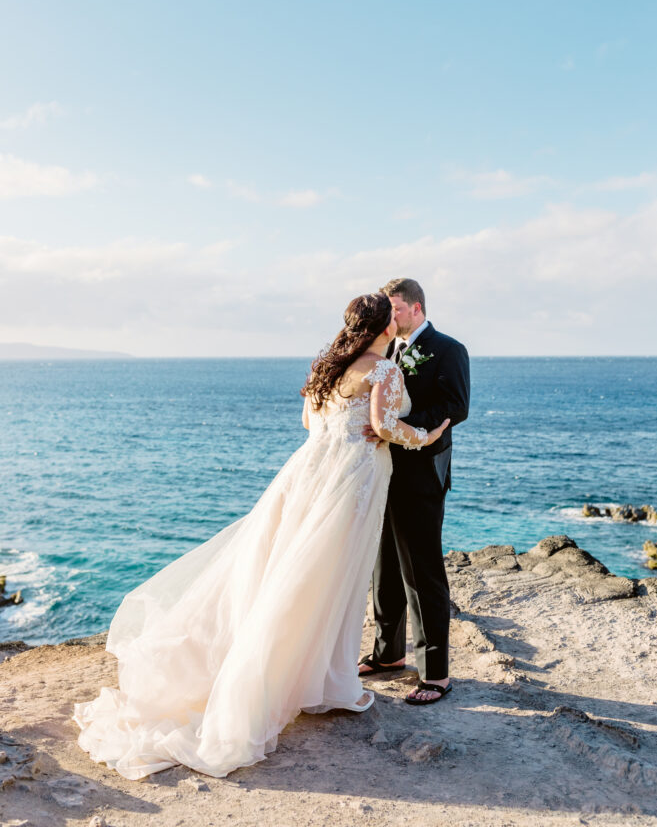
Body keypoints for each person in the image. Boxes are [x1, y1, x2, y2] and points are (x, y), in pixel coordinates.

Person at [73, 292, 449, 781]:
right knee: (332, 577)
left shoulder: (329, 366)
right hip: (353, 478)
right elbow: (382, 425)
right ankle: (310, 683)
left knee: (295, 571)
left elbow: (309, 422)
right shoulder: (383, 370)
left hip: (311, 471)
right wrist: (429, 434)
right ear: (382, 326)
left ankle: (316, 677)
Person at [358, 278, 470, 705]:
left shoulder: (448, 349)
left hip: (422, 472)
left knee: (422, 571)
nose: (391, 318)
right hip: (382, 469)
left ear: (417, 308)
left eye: (396, 310)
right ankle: (388, 656)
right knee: (383, 565)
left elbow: (456, 406)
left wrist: (403, 429)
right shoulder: (387, 350)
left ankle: (436, 673)